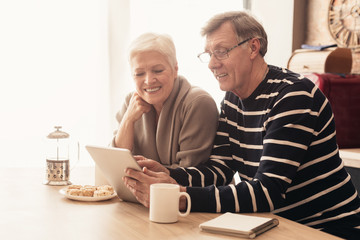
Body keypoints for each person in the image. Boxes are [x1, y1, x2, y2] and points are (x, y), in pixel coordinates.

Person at [123, 12, 360, 239]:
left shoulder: (293, 96)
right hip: (273, 225)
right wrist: (169, 175)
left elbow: (267, 192)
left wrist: (182, 197)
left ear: (253, 48)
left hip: (328, 229)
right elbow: (219, 171)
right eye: (209, 54)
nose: (212, 64)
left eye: (221, 52)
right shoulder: (232, 100)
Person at [112, 33, 218, 168]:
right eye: (139, 73)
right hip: (141, 189)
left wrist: (137, 173)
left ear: (175, 69)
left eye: (157, 70)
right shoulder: (130, 102)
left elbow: (189, 172)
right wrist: (128, 120)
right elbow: (115, 165)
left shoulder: (198, 103)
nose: (149, 81)